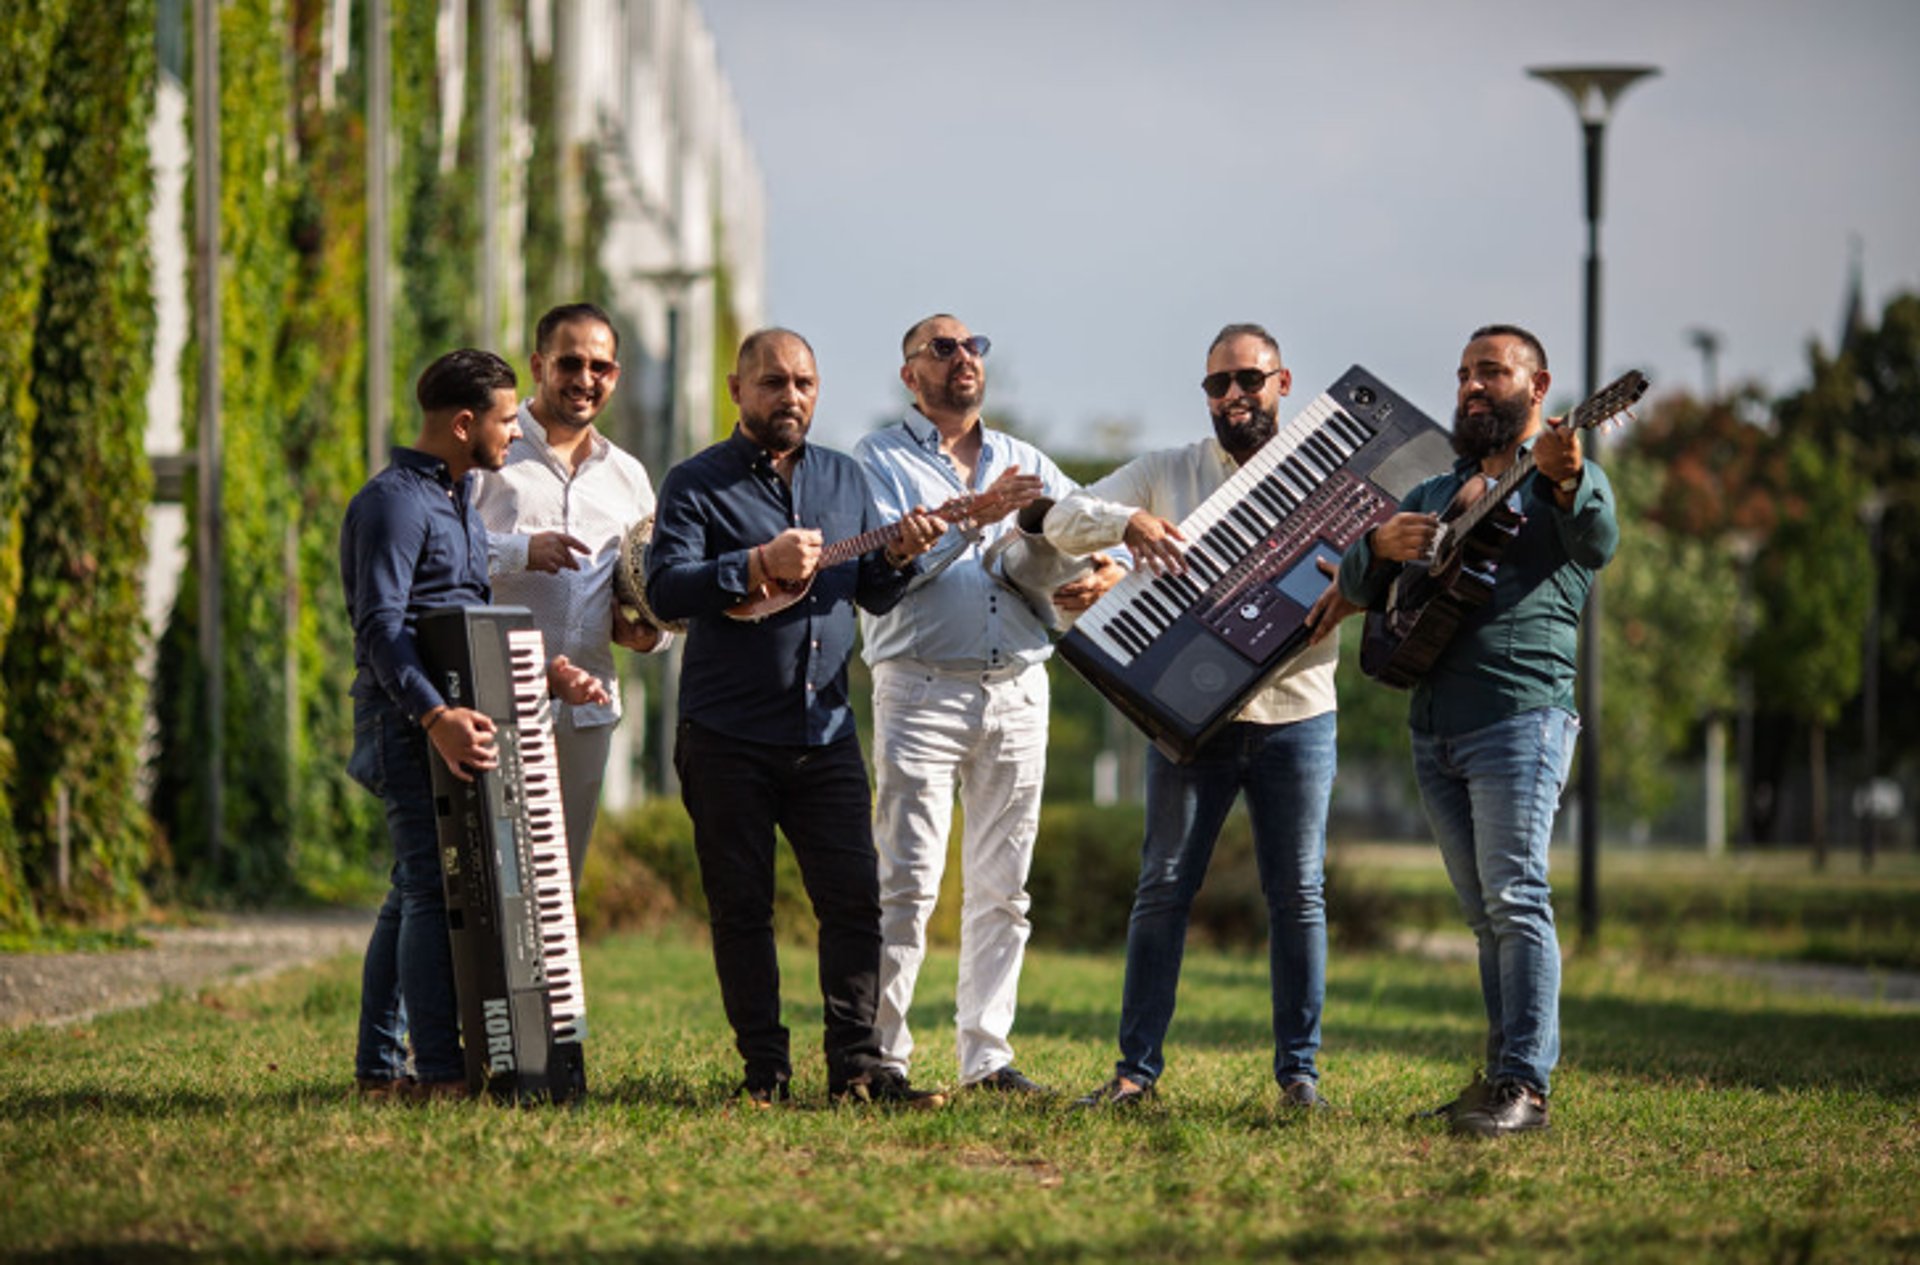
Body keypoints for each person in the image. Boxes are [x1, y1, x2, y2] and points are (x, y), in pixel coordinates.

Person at [1044, 322, 1353, 1111]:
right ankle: (1133, 1073)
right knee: (1163, 886)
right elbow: (1059, 520)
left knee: (1298, 894)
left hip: (1298, 714)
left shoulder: (1331, 470)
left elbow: (1379, 557)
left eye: (1249, 379)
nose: (1233, 397)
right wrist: (1126, 526)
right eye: (1217, 385)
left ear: (1283, 383)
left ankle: (1300, 1077)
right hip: (1189, 721)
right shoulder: (1168, 470)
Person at [644, 328, 948, 1109]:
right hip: (726, 735)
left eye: (804, 383)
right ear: (735, 390)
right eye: (773, 383)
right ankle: (764, 1075)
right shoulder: (696, 482)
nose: (791, 397)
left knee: (855, 902)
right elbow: (666, 589)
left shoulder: (846, 479)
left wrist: (901, 556)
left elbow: (870, 592)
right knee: (742, 909)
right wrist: (751, 565)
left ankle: (858, 1069)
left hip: (824, 732)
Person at [1337, 324, 1616, 1138]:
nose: (1472, 385)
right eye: (1464, 372)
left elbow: (1598, 540)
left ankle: (1526, 1085)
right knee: (1485, 913)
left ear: (1539, 388)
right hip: (1435, 726)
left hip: (1518, 715)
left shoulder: (1558, 474)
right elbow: (1360, 584)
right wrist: (1377, 546)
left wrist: (1569, 484)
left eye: (1492, 371)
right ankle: (1498, 1075)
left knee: (1518, 898)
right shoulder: (1435, 493)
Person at [854, 314, 1124, 1097]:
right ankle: (885, 1059)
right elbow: (885, 565)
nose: (964, 357)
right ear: (911, 374)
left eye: (974, 346)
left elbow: (1094, 530)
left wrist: (1104, 572)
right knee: (906, 880)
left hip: (1018, 686)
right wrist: (975, 515)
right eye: (943, 347)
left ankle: (987, 1057)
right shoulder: (877, 460)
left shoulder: (1026, 460)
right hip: (921, 683)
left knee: (1005, 887)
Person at [342, 349, 608, 1102]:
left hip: (453, 715)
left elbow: (468, 621)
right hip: (409, 721)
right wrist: (434, 715)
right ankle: (440, 1074)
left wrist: (542, 670)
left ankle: (377, 1070)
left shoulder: (458, 498)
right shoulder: (393, 504)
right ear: (464, 424)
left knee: (411, 889)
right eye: (503, 419)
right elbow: (381, 629)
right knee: (429, 887)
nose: (515, 435)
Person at [473, 302, 672, 889]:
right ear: (538, 364)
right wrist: (520, 552)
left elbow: (653, 583)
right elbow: (441, 552)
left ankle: (552, 988)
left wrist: (649, 636)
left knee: (556, 891)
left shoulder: (629, 477)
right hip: (492, 707)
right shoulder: (495, 454)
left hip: (585, 712)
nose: (586, 380)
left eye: (601, 367)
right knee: (487, 885)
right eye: (570, 363)